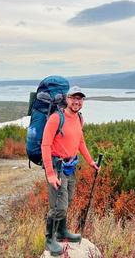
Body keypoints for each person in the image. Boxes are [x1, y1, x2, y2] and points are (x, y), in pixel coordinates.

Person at [41, 85, 99, 256]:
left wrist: (90, 161)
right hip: (57, 167)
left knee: (67, 201)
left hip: (71, 166)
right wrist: (50, 174)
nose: (76, 101)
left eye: (80, 98)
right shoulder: (55, 118)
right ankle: (50, 239)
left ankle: (62, 231)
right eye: (73, 97)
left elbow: (80, 142)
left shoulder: (79, 118)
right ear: (67, 99)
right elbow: (45, 145)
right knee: (59, 205)